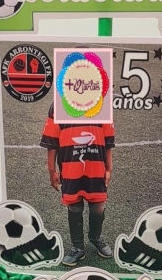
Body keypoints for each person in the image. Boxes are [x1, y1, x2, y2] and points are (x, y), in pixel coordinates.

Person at [40, 103, 114, 266]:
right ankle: (77, 247)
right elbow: (51, 142)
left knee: (98, 207)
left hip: (96, 167)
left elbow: (108, 140)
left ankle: (95, 237)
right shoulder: (59, 104)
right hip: (70, 167)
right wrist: (52, 170)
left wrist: (109, 168)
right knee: (74, 206)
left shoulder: (101, 102)